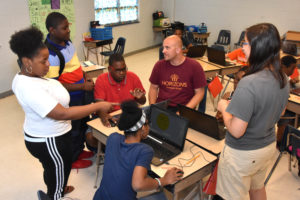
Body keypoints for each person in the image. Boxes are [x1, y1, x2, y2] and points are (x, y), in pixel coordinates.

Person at [9, 27, 112, 200]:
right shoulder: (28, 87)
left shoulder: (29, 76)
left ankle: (58, 187)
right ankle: (56, 194)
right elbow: (63, 114)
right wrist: (97, 106)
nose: (48, 64)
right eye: (43, 61)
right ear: (27, 62)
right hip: (49, 140)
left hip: (47, 136)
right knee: (59, 169)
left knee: (53, 169)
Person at [216, 23, 290, 200]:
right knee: (257, 189)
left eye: (245, 43)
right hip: (266, 147)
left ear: (258, 47)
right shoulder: (283, 78)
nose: (242, 47)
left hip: (243, 154)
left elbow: (236, 130)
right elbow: (280, 113)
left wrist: (224, 108)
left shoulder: (249, 82)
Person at [93, 100, 183, 200]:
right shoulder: (144, 150)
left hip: (100, 197)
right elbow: (138, 185)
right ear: (143, 128)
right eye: (148, 123)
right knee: (162, 195)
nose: (149, 127)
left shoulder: (112, 137)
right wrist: (163, 180)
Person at [44, 12, 94, 169]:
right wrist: (81, 86)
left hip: (82, 92)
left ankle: (79, 150)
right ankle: (72, 159)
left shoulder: (68, 42)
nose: (68, 30)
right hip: (70, 97)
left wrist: (84, 76)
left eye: (68, 27)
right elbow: (54, 84)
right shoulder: (50, 54)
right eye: (64, 28)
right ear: (52, 30)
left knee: (83, 123)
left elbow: (74, 64)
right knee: (73, 128)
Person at [149, 35, 207, 113]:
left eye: (167, 48)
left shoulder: (194, 66)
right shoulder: (159, 65)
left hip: (184, 108)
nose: (163, 51)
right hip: (162, 107)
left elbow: (200, 93)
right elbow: (153, 88)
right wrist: (153, 108)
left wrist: (183, 112)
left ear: (178, 50)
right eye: (163, 47)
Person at [94, 53, 146, 127]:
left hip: (128, 114)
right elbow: (99, 106)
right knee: (90, 136)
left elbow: (143, 102)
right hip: (109, 115)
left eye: (124, 69)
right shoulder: (101, 80)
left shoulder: (133, 77)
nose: (122, 73)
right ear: (109, 69)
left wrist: (140, 97)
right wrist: (104, 115)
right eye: (118, 70)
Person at [277, 55, 299, 146]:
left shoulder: (280, 75)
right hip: (280, 111)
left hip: (278, 108)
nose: (293, 71)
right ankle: (283, 141)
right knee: (294, 113)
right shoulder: (282, 79)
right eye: (292, 68)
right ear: (283, 66)